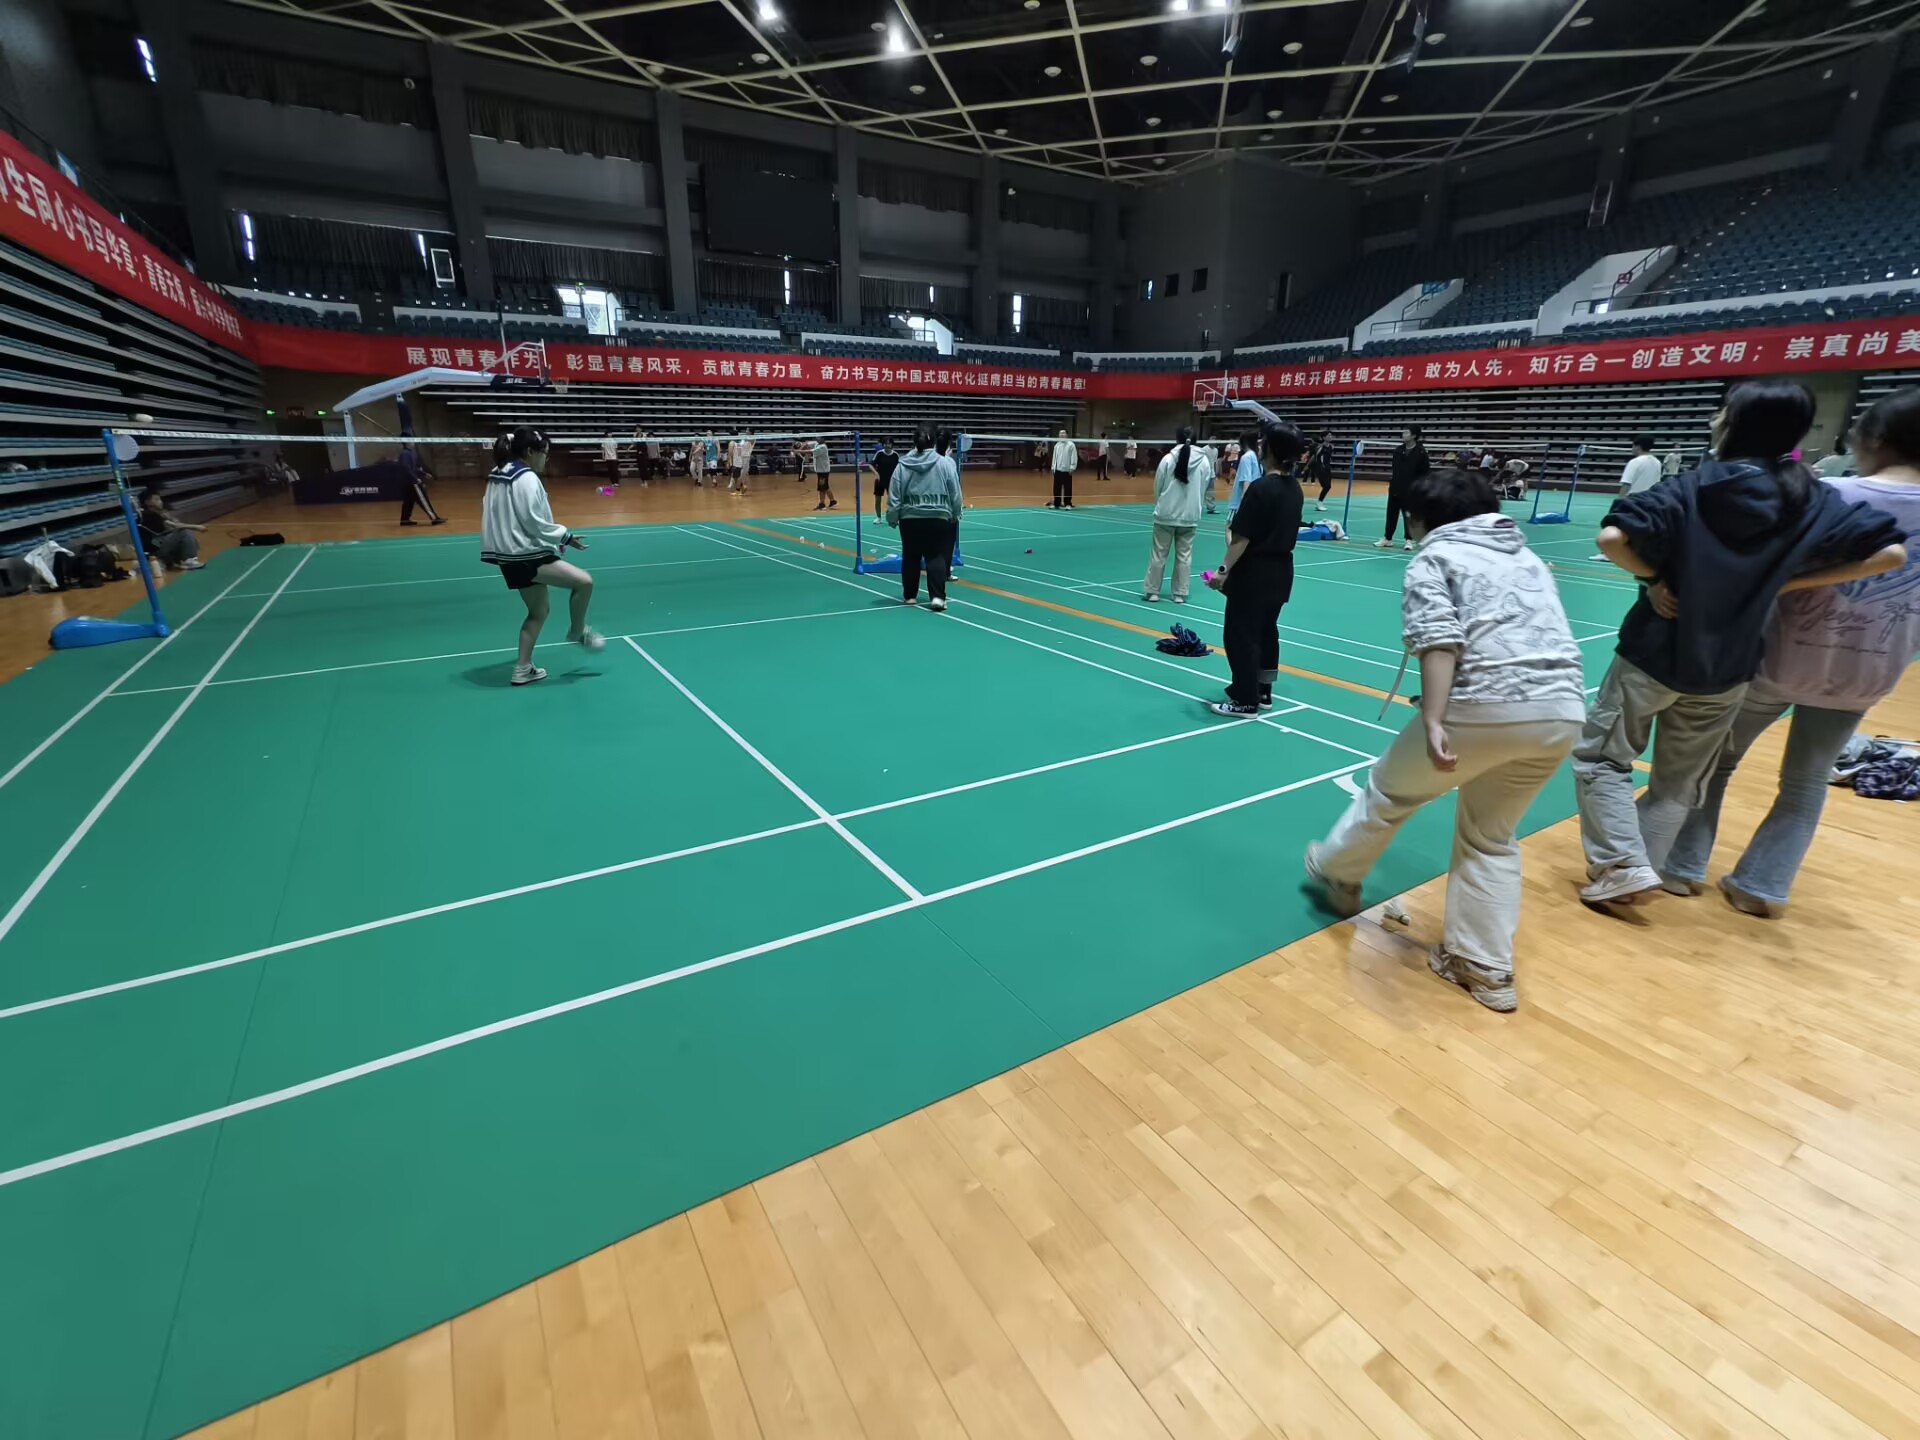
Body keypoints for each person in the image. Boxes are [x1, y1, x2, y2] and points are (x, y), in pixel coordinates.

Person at [1574, 380, 1906, 906]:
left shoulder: (1695, 485)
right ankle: (1641, 872)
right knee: (1679, 782)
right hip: (1729, 668)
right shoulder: (1810, 496)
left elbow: (1613, 538)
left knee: (1602, 761)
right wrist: (1784, 582)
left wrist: (1653, 578)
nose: (1714, 419)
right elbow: (1890, 554)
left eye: (1721, 411)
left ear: (1734, 422)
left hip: (1653, 655)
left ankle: (1623, 864)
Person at [1304, 467, 1587, 1012]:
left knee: (1391, 790)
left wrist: (1434, 718)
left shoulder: (1435, 557)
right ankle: (1484, 967)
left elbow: (1439, 639)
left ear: (1420, 519)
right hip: (1562, 713)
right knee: (1490, 836)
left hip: (1483, 707)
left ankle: (1339, 871)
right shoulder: (1526, 557)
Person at [1664, 388, 1919, 916]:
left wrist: (1780, 585)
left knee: (1716, 762)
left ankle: (1680, 865)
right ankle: (1762, 886)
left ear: (1873, 438)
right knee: (1805, 781)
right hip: (1866, 671)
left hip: (1778, 655)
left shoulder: (1826, 493)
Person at [480, 426, 603, 687]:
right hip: (526, 555)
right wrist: (565, 536)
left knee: (538, 611)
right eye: (544, 453)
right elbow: (534, 521)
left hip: (508, 556)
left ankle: (522, 669)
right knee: (584, 582)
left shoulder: (498, 472)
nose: (546, 459)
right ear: (529, 452)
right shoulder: (526, 478)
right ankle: (577, 631)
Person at [1206, 420, 1307, 716]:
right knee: (1266, 631)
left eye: (1264, 443)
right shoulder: (1295, 489)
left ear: (1271, 450)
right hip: (1281, 573)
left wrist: (1222, 571)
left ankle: (1245, 699)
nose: (1260, 447)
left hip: (1254, 574)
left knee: (1241, 635)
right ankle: (1263, 691)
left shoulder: (1261, 488)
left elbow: (1242, 539)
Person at [887, 424, 963, 611]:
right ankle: (937, 598)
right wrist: (956, 513)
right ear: (934, 441)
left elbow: (894, 493)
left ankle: (910, 596)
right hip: (938, 517)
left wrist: (892, 517)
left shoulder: (903, 464)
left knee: (910, 556)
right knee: (935, 556)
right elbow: (955, 492)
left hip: (910, 518)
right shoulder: (944, 463)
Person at [1143, 426, 1213, 605]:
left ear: (1177, 439)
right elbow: (1204, 487)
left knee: (1158, 555)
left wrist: (1163, 503)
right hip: (1190, 516)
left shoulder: (1167, 459)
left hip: (1165, 515)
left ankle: (1152, 592)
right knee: (1184, 556)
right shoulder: (1204, 462)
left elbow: (1158, 486)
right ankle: (1179, 594)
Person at [1377, 426, 1430, 550]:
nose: (1403, 434)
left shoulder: (1421, 452)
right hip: (1395, 488)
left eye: (1406, 432)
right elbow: (1395, 470)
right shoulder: (1398, 450)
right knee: (1391, 514)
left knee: (1409, 516)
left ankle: (1408, 540)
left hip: (1411, 491)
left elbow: (1425, 473)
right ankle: (1387, 538)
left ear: (1414, 436)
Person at [137, 489, 205, 570]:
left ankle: (175, 561)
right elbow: (175, 526)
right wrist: (196, 527)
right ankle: (188, 561)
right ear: (147, 502)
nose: (160, 502)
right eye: (156, 499)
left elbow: (175, 523)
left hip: (162, 544)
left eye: (160, 499)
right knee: (184, 531)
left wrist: (170, 518)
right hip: (156, 549)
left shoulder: (160, 513)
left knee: (186, 533)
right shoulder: (148, 514)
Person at [398, 444, 445, 526]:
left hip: (410, 481)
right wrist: (415, 478)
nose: (413, 442)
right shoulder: (405, 454)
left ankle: (404, 520)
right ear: (406, 442)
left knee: (409, 501)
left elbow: (415, 468)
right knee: (423, 499)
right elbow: (406, 468)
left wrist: (424, 473)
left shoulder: (413, 453)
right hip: (412, 482)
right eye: (411, 440)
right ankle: (434, 518)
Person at [1227, 429, 1262, 519]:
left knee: (1230, 525)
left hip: (1240, 503)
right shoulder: (1256, 456)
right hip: (1255, 499)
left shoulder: (1246, 457)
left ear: (1244, 442)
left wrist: (1244, 503)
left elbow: (1246, 480)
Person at [869, 438, 901, 521]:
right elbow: (870, 465)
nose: (887, 445)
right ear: (883, 445)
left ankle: (893, 517)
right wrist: (876, 473)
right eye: (886, 444)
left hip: (892, 481)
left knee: (892, 500)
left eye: (889, 443)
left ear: (892, 445)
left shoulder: (895, 455)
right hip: (880, 480)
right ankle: (878, 517)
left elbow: (899, 468)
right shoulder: (879, 453)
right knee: (878, 500)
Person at [1050, 429, 1078, 510]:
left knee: (1068, 488)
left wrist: (1072, 467)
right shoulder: (1057, 445)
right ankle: (1057, 503)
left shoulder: (1071, 445)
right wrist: (1053, 467)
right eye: (1060, 433)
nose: (1061, 435)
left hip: (1067, 470)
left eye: (1063, 433)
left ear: (1066, 435)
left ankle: (1068, 504)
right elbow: (1054, 457)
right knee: (1056, 488)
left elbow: (1074, 457)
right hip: (1057, 470)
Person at [1308, 432, 1334, 511]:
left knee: (1328, 486)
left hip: (1328, 468)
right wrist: (1308, 466)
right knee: (1326, 486)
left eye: (1331, 435)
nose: (1330, 436)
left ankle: (1320, 502)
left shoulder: (1331, 447)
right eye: (1328, 435)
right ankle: (1319, 503)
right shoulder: (1320, 447)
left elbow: (1328, 458)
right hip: (1320, 468)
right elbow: (1315, 457)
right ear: (1323, 437)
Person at [811, 437, 836, 510]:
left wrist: (797, 451)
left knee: (823, 488)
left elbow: (810, 451)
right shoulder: (817, 444)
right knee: (824, 487)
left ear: (823, 439)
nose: (817, 439)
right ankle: (832, 501)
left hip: (823, 471)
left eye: (819, 438)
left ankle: (822, 504)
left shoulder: (823, 447)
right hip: (821, 471)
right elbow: (807, 444)